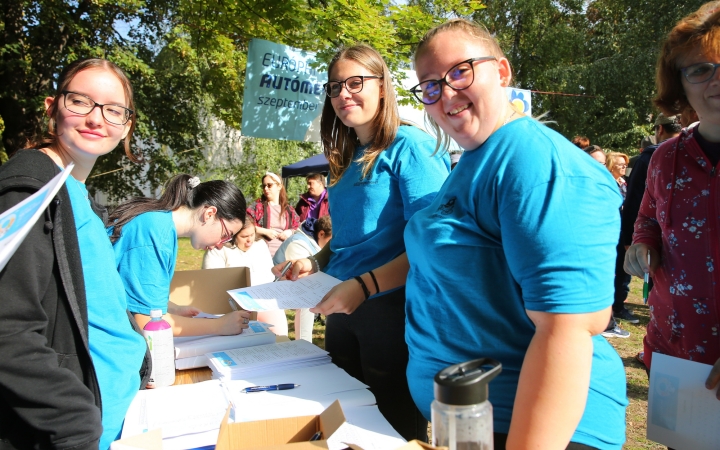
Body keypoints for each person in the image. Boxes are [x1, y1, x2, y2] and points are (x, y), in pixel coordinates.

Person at [404, 19, 627, 449]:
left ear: (502, 72)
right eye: (430, 86)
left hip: (544, 429)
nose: (445, 93)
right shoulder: (475, 159)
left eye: (459, 71)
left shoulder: (535, 162)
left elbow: (568, 328)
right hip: (477, 420)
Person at [274, 43, 450, 441]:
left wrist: (367, 285)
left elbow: (433, 246)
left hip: (392, 311)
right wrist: (315, 263)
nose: (343, 95)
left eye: (356, 82)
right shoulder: (345, 155)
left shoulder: (412, 148)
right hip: (342, 306)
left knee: (392, 429)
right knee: (346, 427)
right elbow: (349, 239)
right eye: (335, 87)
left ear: (383, 86)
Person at [0, 58, 150, 449]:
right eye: (80, 101)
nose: (96, 118)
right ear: (52, 108)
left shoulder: (75, 192)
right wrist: (75, 426)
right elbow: (7, 329)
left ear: (126, 126)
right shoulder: (31, 188)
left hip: (123, 417)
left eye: (113, 110)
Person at [625, 3, 720, 393]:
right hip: (677, 357)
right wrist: (642, 245)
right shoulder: (665, 157)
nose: (717, 80)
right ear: (680, 83)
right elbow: (648, 218)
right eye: (700, 69)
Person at [108, 174, 253, 336]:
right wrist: (219, 325)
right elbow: (148, 322)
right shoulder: (156, 232)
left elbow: (135, 291)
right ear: (210, 213)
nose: (220, 245)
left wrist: (172, 308)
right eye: (226, 235)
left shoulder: (160, 225)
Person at [202, 216, 288, 336]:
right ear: (232, 235)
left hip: (262, 299)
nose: (249, 241)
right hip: (231, 303)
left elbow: (268, 275)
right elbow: (212, 281)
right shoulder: (218, 250)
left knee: (279, 333)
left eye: (252, 235)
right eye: (244, 237)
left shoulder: (260, 245)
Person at [273, 216, 333, 342]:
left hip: (293, 284)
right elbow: (304, 280)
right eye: (331, 241)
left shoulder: (311, 241)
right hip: (277, 288)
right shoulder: (298, 243)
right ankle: (304, 342)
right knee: (308, 297)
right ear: (321, 234)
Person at [247, 172, 301, 257]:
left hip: (286, 255)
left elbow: (299, 228)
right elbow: (244, 225)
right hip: (262, 254)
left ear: (279, 186)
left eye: (269, 185)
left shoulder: (289, 210)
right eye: (263, 185)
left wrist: (290, 232)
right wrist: (265, 231)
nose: (265, 188)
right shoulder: (257, 207)